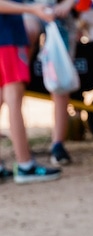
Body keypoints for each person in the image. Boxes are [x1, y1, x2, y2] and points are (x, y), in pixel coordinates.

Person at [0, 0, 62, 183]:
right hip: (7, 38)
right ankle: (25, 164)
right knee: (13, 98)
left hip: (7, 36)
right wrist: (32, 9)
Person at [23, 0, 78, 166]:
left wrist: (68, 4)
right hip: (26, 13)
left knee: (60, 81)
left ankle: (58, 144)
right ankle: (22, 150)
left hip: (58, 17)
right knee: (12, 85)